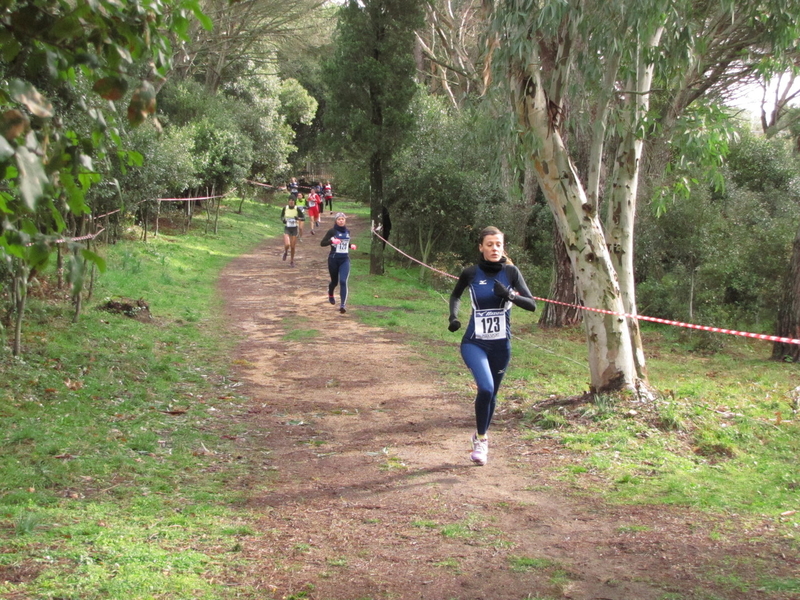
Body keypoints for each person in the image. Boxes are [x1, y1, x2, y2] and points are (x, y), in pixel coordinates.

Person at [448, 226, 536, 466]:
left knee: (493, 394)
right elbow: (455, 295)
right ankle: (482, 441)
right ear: (481, 247)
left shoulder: (511, 272)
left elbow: (532, 305)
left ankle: (480, 436)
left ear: (502, 247)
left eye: (498, 244)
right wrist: (453, 317)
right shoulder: (470, 273)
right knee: (485, 389)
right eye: (489, 244)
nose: (494, 248)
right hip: (474, 342)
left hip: (501, 346)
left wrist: (510, 296)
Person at [320, 212, 356, 313]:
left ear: (345, 220)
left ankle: (342, 305)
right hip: (333, 259)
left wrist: (351, 246)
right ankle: (330, 292)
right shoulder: (332, 231)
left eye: (343, 219)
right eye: (339, 219)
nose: (341, 221)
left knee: (343, 281)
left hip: (344, 259)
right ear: (336, 221)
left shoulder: (347, 231)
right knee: (334, 282)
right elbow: (322, 243)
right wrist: (332, 242)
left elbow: (346, 243)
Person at [280, 196, 305, 267]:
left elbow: (303, 218)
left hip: (294, 229)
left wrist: (298, 218)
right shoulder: (285, 208)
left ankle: (292, 261)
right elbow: (281, 216)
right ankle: (285, 252)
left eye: (292, 201)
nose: (291, 202)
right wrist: (283, 220)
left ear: (294, 202)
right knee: (287, 244)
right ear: (288, 201)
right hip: (287, 228)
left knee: (293, 246)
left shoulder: (297, 209)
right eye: (290, 200)